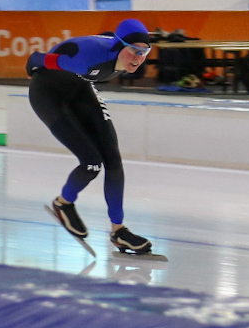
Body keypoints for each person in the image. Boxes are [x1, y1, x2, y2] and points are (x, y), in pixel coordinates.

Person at [26, 18, 154, 255]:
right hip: (48, 94)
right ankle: (63, 204)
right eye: (134, 52)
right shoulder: (89, 61)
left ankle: (119, 231)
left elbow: (107, 36)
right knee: (92, 163)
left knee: (113, 161)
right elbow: (37, 58)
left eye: (144, 52)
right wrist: (31, 66)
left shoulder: (114, 54)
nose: (139, 58)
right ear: (120, 46)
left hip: (80, 87)